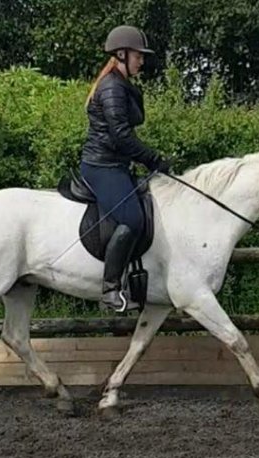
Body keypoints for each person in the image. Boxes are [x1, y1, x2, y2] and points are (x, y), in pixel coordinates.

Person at [80, 25, 171, 313]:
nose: (142, 61)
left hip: (115, 164)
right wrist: (153, 158)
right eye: (138, 56)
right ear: (121, 54)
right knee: (132, 218)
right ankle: (110, 290)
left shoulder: (120, 84)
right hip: (101, 166)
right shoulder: (111, 87)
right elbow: (121, 135)